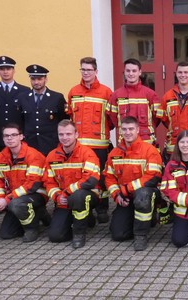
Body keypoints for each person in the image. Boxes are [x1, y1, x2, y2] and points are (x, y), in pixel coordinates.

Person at [67, 57, 115, 223]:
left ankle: (102, 209)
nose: (86, 73)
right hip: (79, 147)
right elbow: (70, 116)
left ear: (96, 71)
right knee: (81, 178)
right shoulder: (73, 92)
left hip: (99, 145)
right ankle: (84, 207)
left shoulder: (106, 92)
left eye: (89, 70)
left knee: (100, 177)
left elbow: (111, 119)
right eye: (83, 69)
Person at [104, 116, 163, 251]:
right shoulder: (114, 153)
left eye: (131, 129)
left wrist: (125, 189)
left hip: (147, 195)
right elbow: (109, 177)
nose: (127, 132)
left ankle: (141, 235)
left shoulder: (149, 151)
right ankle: (138, 220)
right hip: (126, 198)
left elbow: (152, 177)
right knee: (118, 234)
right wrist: (117, 194)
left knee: (142, 194)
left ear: (138, 130)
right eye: (124, 129)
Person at [43, 120, 101, 249]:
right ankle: (87, 218)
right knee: (56, 236)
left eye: (68, 134)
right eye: (61, 134)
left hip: (87, 196)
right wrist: (58, 197)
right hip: (63, 200)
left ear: (76, 134)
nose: (65, 138)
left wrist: (67, 192)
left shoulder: (87, 153)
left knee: (79, 196)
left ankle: (79, 234)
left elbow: (90, 179)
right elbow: (49, 182)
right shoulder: (52, 156)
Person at [0, 123, 50, 243]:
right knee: (6, 234)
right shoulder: (0, 157)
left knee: (16, 205)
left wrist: (6, 200)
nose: (10, 138)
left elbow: (32, 184)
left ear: (21, 137)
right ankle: (39, 213)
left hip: (36, 194)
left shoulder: (33, 155)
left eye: (13, 135)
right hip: (15, 198)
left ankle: (31, 228)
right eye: (6, 136)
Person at [108, 58, 161, 146]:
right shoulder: (116, 95)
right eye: (128, 71)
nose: (131, 74)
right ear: (124, 72)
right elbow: (113, 119)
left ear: (140, 72)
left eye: (134, 71)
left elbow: (156, 119)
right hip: (125, 144)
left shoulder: (150, 94)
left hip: (146, 143)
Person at [18, 64, 67, 156]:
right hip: (29, 145)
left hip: (51, 145)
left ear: (46, 79)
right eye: (33, 79)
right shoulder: (22, 98)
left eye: (39, 79)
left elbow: (63, 121)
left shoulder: (57, 97)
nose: (36, 82)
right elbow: (20, 121)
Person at [0, 56, 30, 154]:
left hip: (19, 138)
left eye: (8, 69)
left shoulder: (24, 90)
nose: (5, 72)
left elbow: (28, 117)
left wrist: (26, 135)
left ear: (14, 70)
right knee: (0, 166)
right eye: (2, 69)